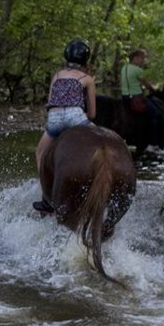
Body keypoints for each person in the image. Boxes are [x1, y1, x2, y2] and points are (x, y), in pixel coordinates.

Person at [33, 38, 97, 214]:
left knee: (40, 152)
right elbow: (92, 113)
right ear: (85, 60)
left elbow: (50, 102)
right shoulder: (88, 79)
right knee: (100, 141)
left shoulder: (57, 75)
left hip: (54, 118)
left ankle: (46, 197)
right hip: (75, 117)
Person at [119, 47, 156, 123]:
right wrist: (155, 90)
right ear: (135, 58)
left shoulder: (124, 68)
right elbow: (148, 86)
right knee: (154, 111)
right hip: (136, 98)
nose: (144, 60)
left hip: (124, 97)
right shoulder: (138, 70)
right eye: (142, 58)